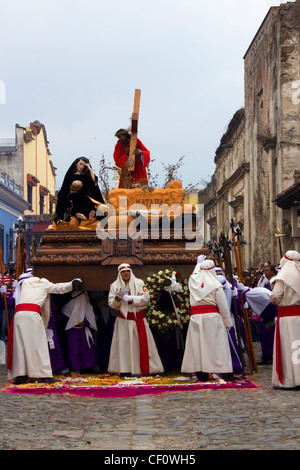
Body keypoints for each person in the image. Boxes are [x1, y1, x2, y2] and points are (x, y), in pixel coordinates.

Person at [7, 271, 83, 384]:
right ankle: (44, 375)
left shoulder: (25, 283)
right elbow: (59, 288)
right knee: (39, 345)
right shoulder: (44, 283)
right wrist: (72, 284)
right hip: (32, 315)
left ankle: (21, 375)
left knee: (20, 345)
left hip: (18, 315)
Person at [181, 259, 233, 381]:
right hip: (212, 318)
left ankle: (201, 372)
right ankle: (224, 371)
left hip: (196, 318)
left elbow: (194, 274)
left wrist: (198, 263)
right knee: (217, 345)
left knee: (198, 345)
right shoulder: (216, 285)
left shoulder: (192, 282)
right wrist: (227, 322)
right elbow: (223, 305)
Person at [108, 263, 164, 376]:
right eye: (123, 272)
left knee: (144, 346)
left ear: (131, 271)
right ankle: (125, 369)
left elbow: (146, 298)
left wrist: (132, 299)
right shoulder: (114, 286)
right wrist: (118, 298)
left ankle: (150, 369)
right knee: (123, 346)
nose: (126, 273)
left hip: (138, 318)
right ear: (119, 273)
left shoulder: (139, 283)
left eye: (128, 271)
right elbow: (112, 304)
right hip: (123, 320)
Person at [268, 250, 300, 390]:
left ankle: (289, 380)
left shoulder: (283, 276)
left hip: (287, 318)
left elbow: (276, 295)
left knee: (288, 348)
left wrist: (272, 298)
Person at [55, 156, 104, 223]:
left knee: (86, 200)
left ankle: (89, 213)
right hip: (71, 196)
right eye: (80, 164)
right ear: (76, 163)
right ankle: (77, 214)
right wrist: (70, 192)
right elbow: (65, 188)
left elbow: (93, 182)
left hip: (83, 196)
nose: (81, 166)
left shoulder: (85, 176)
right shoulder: (70, 175)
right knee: (74, 198)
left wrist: (90, 169)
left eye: (84, 165)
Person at [61, 290, 98, 373]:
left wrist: (85, 323)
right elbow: (64, 316)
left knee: (88, 350)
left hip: (85, 332)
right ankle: (76, 368)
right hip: (74, 333)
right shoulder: (69, 306)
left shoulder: (87, 305)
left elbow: (91, 317)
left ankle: (91, 366)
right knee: (75, 351)